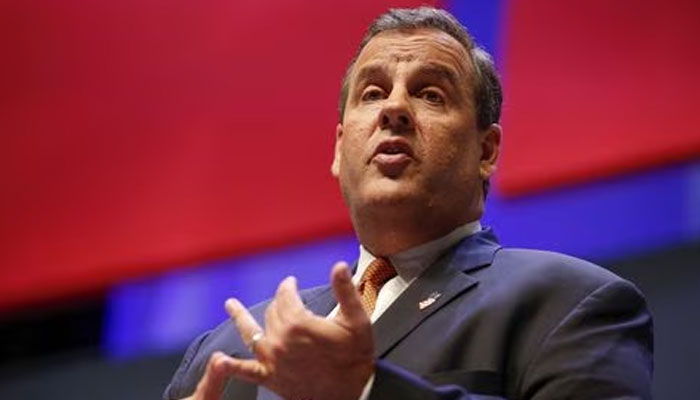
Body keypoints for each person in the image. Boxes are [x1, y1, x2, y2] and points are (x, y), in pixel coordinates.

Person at [164, 7, 653, 400]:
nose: (393, 108)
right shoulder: (223, 352)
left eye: (430, 94)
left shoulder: (569, 304)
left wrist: (365, 391)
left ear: (486, 152)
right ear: (338, 148)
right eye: (373, 92)